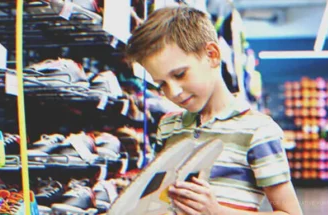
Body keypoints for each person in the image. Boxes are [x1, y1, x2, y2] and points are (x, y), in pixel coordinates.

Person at [126, 6, 303, 215]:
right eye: (161, 84)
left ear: (211, 55)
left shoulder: (258, 131)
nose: (173, 92)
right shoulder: (168, 126)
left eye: (180, 74)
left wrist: (217, 212)